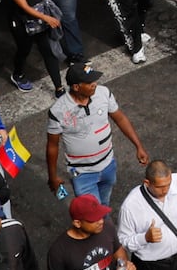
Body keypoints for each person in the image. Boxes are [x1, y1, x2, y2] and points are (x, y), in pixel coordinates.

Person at [46, 65, 150, 210]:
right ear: (76, 87)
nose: (94, 84)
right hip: (83, 174)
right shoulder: (58, 111)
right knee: (90, 214)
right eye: (89, 83)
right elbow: (52, 146)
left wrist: (139, 146)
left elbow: (120, 119)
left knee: (104, 205)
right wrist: (53, 177)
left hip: (108, 165)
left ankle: (102, 227)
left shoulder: (104, 93)